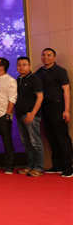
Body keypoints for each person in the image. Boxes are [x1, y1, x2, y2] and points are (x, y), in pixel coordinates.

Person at [35, 48, 71, 178]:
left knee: (62, 137)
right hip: (44, 107)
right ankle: (57, 165)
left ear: (54, 57)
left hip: (58, 106)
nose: (46, 57)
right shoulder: (39, 72)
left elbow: (66, 91)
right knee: (51, 136)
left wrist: (66, 110)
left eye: (49, 55)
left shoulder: (60, 71)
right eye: (43, 55)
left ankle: (68, 167)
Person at [15, 56, 44, 177]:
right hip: (19, 115)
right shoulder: (18, 80)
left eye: (24, 64)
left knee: (35, 142)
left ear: (29, 66)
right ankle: (30, 166)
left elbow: (40, 97)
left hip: (31, 115)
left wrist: (33, 113)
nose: (21, 67)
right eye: (19, 65)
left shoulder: (34, 78)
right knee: (26, 142)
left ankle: (38, 168)